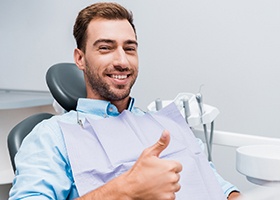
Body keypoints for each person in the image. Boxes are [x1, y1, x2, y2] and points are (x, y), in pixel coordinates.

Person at [9, 2, 241, 200]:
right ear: (80, 59)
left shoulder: (167, 125)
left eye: (129, 48)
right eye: (105, 48)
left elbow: (217, 185)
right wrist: (124, 189)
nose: (122, 60)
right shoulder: (52, 135)